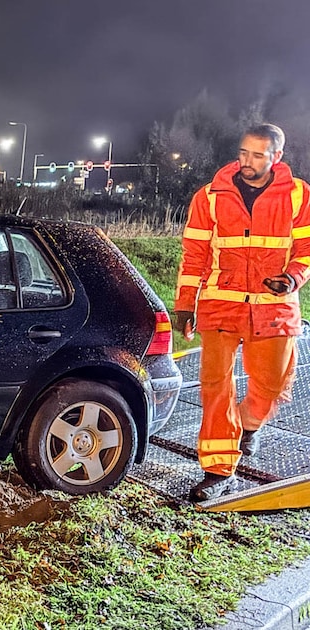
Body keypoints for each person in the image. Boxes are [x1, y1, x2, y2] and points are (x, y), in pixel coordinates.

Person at [175, 123, 310, 501]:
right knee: (215, 388)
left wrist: (293, 278)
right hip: (221, 304)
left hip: (274, 308)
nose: (247, 161)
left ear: (276, 157)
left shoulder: (299, 195)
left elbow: (307, 251)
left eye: (257, 155)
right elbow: (194, 256)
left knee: (273, 384)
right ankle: (218, 471)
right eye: (243, 153)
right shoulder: (209, 196)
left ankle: (248, 424)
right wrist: (185, 305)